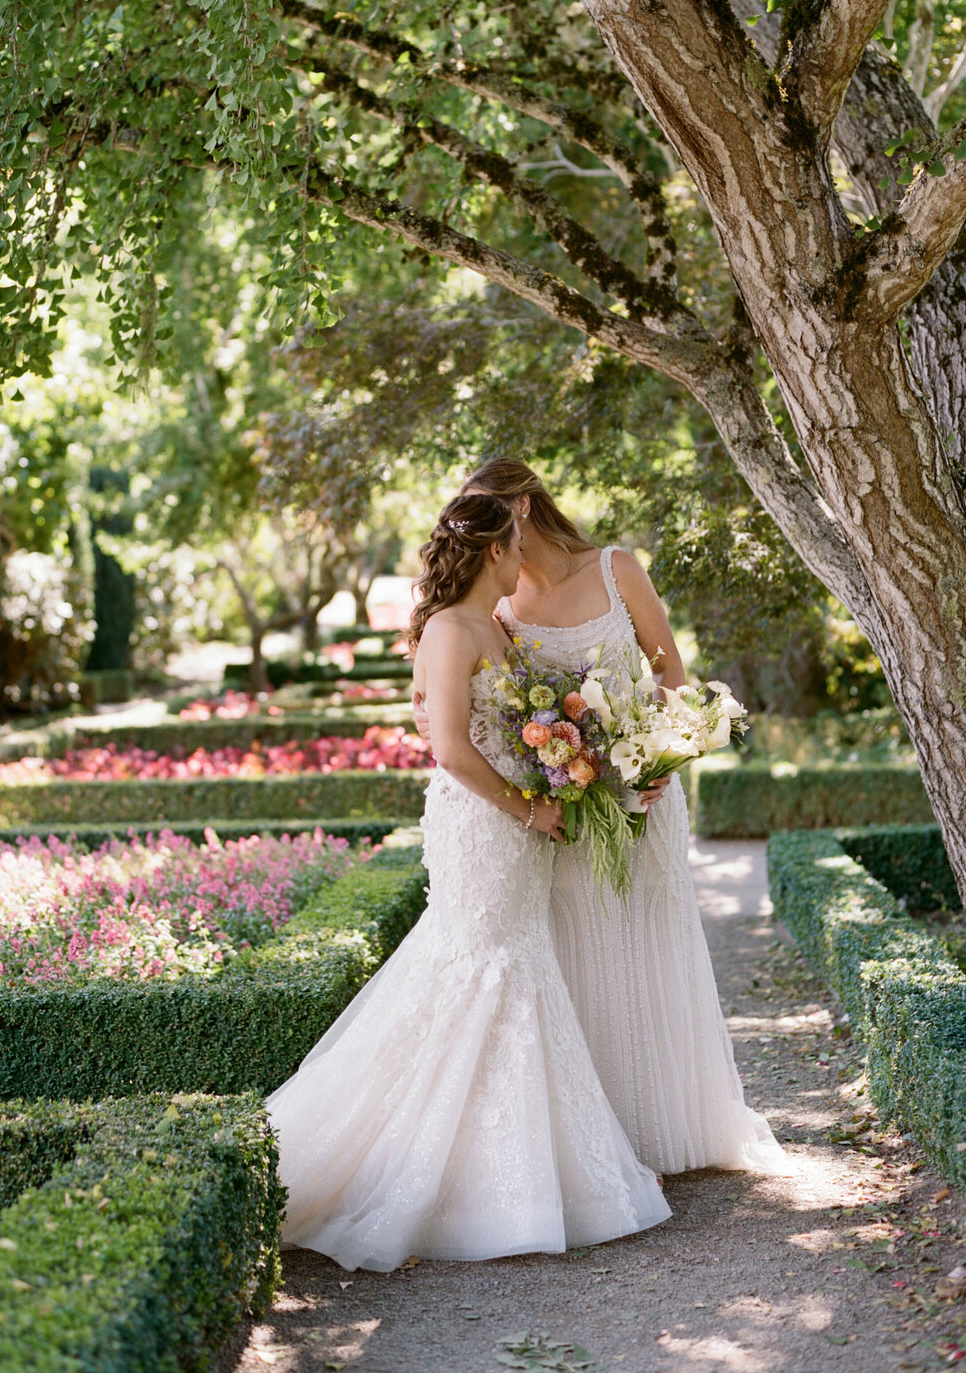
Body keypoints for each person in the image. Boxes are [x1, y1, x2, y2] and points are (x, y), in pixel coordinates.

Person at [266, 492, 670, 1272]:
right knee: (481, 972)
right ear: (493, 552)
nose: (530, 560)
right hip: (486, 831)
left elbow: (526, 728)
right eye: (518, 546)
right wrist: (531, 810)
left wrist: (579, 774)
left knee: (515, 975)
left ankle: (514, 1177)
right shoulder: (453, 631)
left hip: (520, 831)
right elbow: (450, 748)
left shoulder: (498, 627)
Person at [417, 461, 789, 1179]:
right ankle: (597, 1143)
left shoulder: (617, 568)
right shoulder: (495, 607)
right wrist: (551, 790)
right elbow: (490, 716)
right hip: (568, 805)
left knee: (647, 943)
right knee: (572, 953)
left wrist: (654, 765)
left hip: (643, 795)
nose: (486, 538)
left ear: (524, 505)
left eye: (493, 514)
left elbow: (671, 675)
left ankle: (665, 1132)